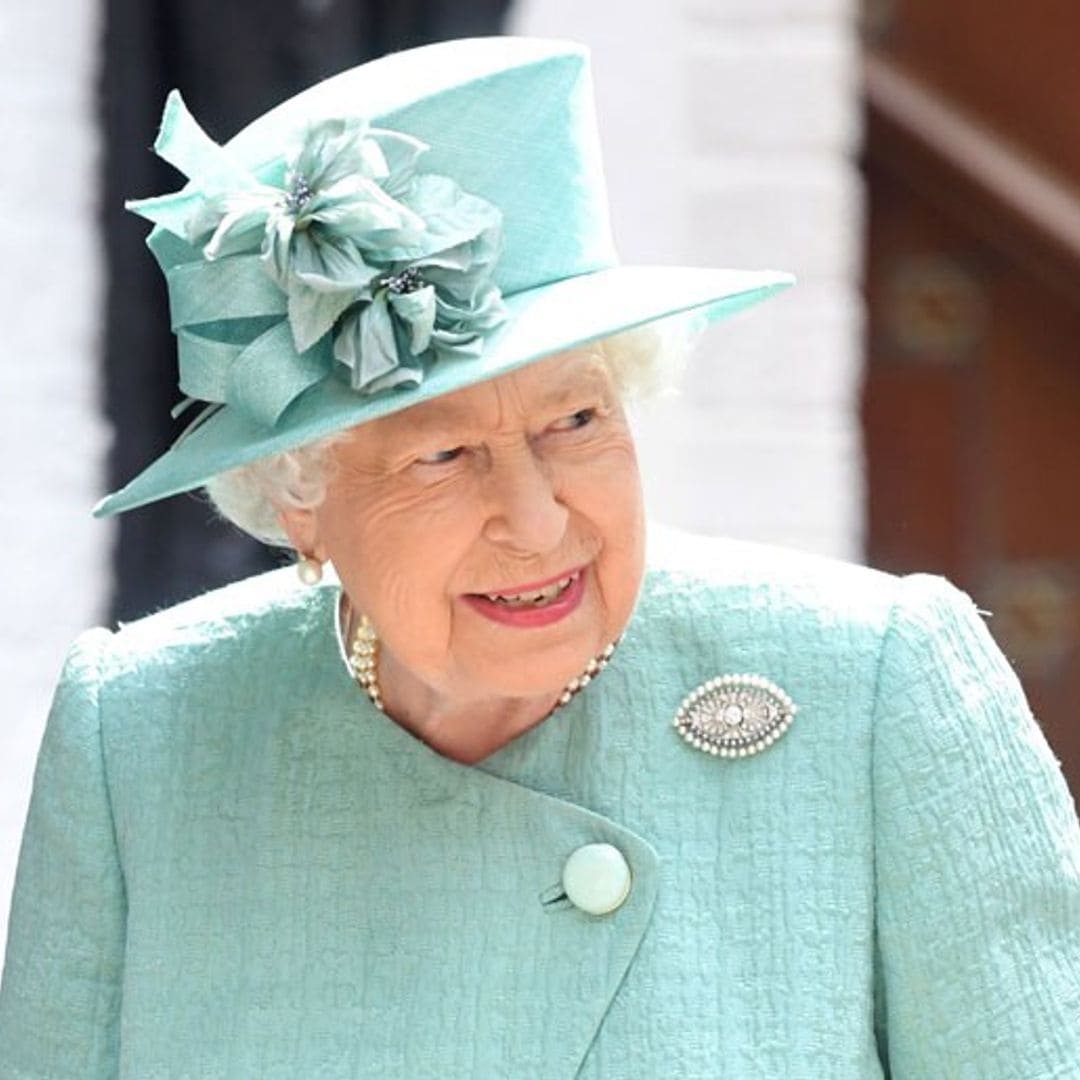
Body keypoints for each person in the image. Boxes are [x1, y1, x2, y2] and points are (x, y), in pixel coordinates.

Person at [1, 36, 1078, 1080]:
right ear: (302, 502)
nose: (537, 519)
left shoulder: (874, 690)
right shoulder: (140, 738)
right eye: (443, 451)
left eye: (575, 422)